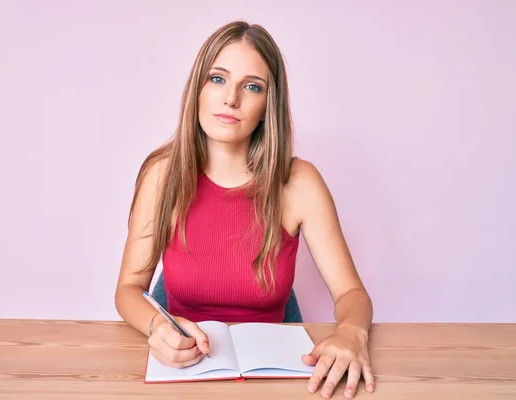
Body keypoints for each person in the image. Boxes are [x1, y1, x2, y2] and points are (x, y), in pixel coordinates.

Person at [115, 20, 375, 399]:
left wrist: (352, 332)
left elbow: (352, 292)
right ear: (198, 90)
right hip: (183, 373)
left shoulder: (300, 182)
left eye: (251, 86)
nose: (230, 99)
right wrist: (157, 327)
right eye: (217, 79)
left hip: (275, 377)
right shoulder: (162, 175)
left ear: (268, 104)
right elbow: (127, 290)